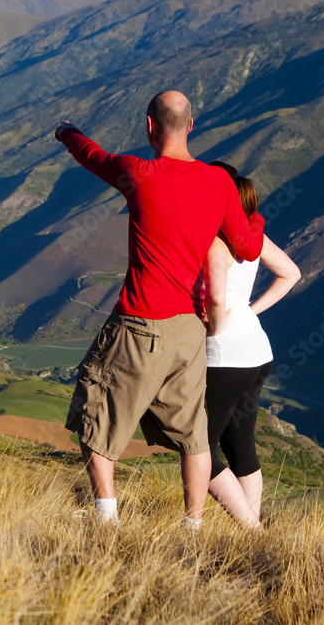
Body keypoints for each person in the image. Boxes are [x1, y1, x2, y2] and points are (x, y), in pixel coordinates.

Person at [56, 90, 264, 527]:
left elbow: (92, 155)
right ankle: (193, 526)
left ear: (150, 127)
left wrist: (67, 132)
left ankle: (106, 521)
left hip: (139, 325)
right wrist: (256, 217)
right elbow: (247, 246)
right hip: (190, 330)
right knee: (193, 434)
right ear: (191, 126)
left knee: (97, 418)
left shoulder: (137, 172)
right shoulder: (220, 183)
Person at [201, 164, 301, 529]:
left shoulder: (213, 238)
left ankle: (252, 531)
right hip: (258, 353)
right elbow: (291, 273)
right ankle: (252, 530)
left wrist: (215, 326)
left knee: (197, 449)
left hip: (223, 357)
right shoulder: (250, 234)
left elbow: (214, 297)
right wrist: (249, 311)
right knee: (241, 448)